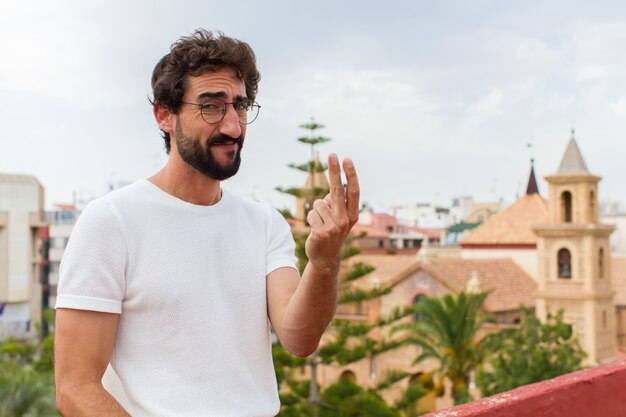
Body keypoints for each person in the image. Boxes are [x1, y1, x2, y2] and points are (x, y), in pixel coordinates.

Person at [54, 29, 360, 417]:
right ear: (165, 115)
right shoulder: (111, 222)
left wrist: (326, 262)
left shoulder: (264, 223)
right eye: (212, 107)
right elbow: (75, 388)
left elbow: (299, 338)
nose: (233, 126)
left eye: (240, 106)